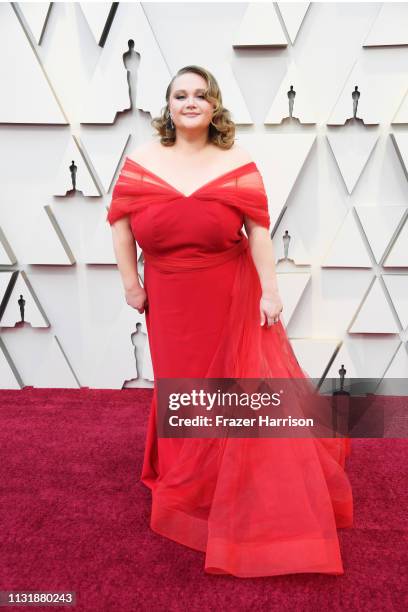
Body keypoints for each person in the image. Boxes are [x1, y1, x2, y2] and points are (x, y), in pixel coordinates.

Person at [107, 65, 353, 578]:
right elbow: (122, 228)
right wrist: (132, 284)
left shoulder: (237, 162)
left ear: (214, 106)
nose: (190, 102)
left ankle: (227, 478)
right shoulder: (141, 163)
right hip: (170, 298)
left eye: (200, 95)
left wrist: (271, 290)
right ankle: (184, 475)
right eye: (180, 95)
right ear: (168, 106)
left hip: (228, 291)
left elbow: (259, 232)